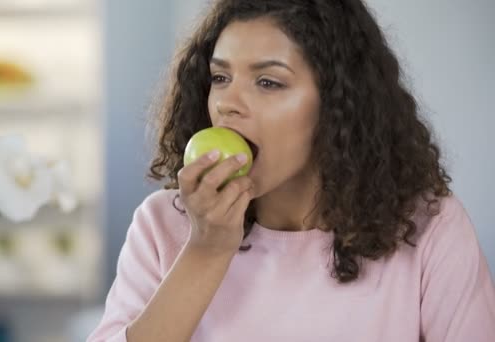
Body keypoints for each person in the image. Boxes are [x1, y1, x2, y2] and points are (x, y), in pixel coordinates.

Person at [87, 0, 495, 341]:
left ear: (337, 106)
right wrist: (206, 250)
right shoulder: (163, 224)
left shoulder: (427, 228)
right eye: (220, 77)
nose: (228, 102)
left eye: (268, 82)